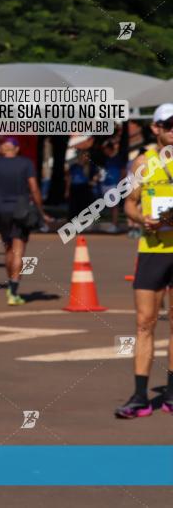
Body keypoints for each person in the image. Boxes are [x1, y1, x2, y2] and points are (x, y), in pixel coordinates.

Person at [116, 103, 173, 418]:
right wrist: (143, 220)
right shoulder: (142, 162)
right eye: (169, 125)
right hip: (152, 251)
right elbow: (130, 204)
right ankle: (140, 396)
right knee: (144, 324)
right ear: (156, 129)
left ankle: (171, 395)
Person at [0, 137, 52, 306]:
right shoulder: (26, 163)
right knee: (18, 250)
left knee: (8, 248)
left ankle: (10, 283)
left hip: (2, 210)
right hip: (21, 210)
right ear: (16, 149)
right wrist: (41, 210)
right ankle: (13, 291)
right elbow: (34, 187)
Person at [65, 150, 100, 221]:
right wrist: (67, 190)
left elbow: (97, 175)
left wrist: (93, 181)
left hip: (85, 189)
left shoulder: (90, 167)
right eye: (84, 156)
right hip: (74, 189)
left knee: (84, 207)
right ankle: (72, 223)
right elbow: (69, 179)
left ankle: (84, 221)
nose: (86, 158)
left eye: (87, 156)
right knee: (73, 207)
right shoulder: (74, 166)